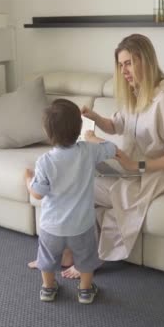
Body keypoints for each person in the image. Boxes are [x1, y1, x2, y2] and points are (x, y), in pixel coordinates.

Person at [28, 33, 164, 279]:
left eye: (128, 63)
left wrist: (139, 164)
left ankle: (91, 260)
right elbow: (116, 125)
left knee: (112, 196)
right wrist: (94, 117)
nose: (123, 71)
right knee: (83, 182)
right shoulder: (135, 95)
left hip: (157, 172)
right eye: (120, 64)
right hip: (133, 165)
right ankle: (67, 252)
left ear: (144, 62)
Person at [25, 98, 117, 303]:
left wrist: (28, 180)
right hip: (81, 225)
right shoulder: (88, 151)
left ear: (48, 134)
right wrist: (92, 138)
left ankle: (48, 288)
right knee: (86, 259)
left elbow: (38, 194)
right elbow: (112, 148)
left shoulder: (44, 162)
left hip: (51, 226)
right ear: (79, 128)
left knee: (47, 260)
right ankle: (85, 290)